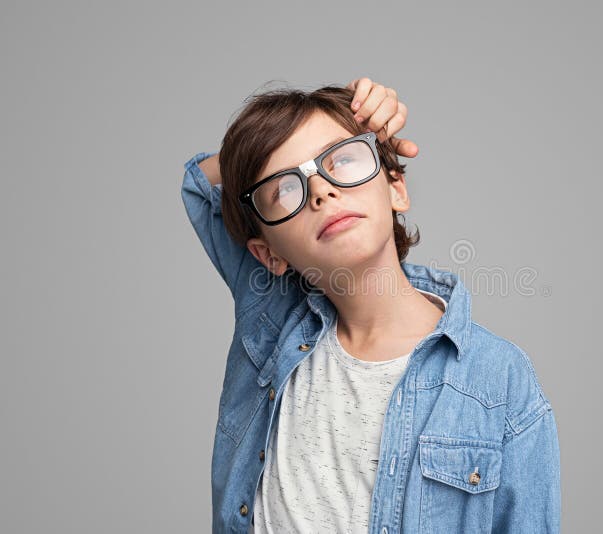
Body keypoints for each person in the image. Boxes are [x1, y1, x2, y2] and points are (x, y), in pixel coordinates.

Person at [181, 77, 561, 534]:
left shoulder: (498, 378)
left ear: (396, 186)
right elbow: (201, 186)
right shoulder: (272, 321)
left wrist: (352, 116)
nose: (321, 191)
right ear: (268, 255)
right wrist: (267, 137)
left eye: (342, 160)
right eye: (284, 188)